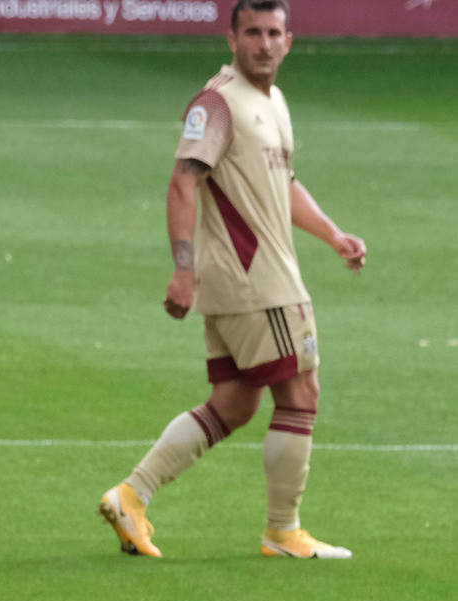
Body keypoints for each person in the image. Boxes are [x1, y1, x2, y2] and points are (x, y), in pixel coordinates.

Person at [99, 0, 366, 560]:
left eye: (273, 33)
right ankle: (283, 531)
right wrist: (182, 267)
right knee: (300, 393)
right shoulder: (218, 103)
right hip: (258, 283)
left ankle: (131, 495)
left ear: (289, 41)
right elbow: (182, 183)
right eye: (252, 33)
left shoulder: (272, 101)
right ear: (231, 38)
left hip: (247, 284)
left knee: (235, 402)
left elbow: (284, 184)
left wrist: (333, 234)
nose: (264, 44)